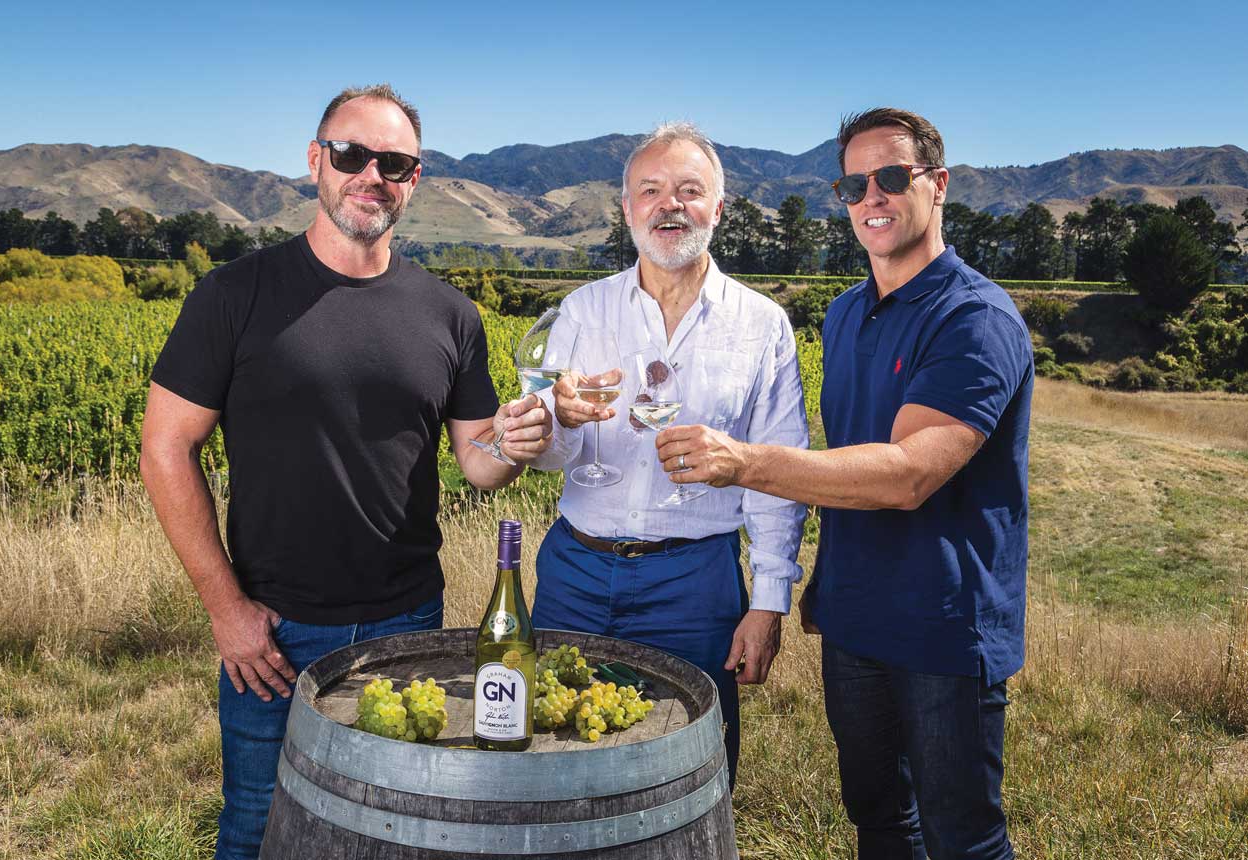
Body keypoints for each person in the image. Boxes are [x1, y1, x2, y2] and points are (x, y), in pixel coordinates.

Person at [139, 84, 553, 860]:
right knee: (259, 827)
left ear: (416, 178)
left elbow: (477, 462)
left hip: (408, 620)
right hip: (272, 630)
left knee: (395, 829)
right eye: (352, 155)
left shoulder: (449, 315)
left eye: (393, 163)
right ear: (314, 161)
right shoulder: (235, 294)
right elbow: (163, 447)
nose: (372, 175)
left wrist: (517, 445)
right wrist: (225, 608)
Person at [656, 107, 1032, 859]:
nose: (873, 198)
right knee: (879, 820)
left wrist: (746, 461)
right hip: (856, 622)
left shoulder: (976, 318)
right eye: (855, 184)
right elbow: (846, 456)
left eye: (892, 177)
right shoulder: (847, 314)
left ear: (939, 185)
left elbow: (908, 475)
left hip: (943, 629)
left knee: (963, 838)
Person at [529, 122, 809, 785]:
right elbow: (547, 453)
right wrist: (556, 418)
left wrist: (768, 602)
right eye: (649, 190)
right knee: (556, 768)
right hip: (576, 572)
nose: (669, 204)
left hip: (696, 583)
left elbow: (778, 470)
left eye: (690, 189)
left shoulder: (762, 324)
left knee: (691, 775)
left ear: (719, 207)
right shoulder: (580, 312)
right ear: (628, 209)